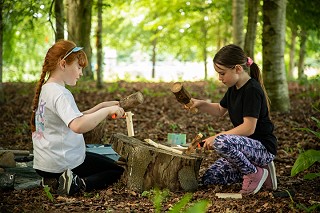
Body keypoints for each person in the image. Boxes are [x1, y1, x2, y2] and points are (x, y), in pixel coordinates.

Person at [30, 39, 125, 196]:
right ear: (63, 64)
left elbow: (74, 117)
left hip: (46, 163)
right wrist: (107, 111)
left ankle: (56, 180)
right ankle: (77, 184)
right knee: (117, 170)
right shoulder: (60, 93)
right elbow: (78, 125)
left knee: (106, 162)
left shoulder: (48, 89)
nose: (81, 73)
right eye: (78, 67)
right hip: (61, 163)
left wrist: (102, 107)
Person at [189, 44, 277, 195]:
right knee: (210, 178)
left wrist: (217, 136)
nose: (219, 78)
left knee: (221, 141)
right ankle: (259, 171)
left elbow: (249, 128)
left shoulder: (252, 90)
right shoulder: (233, 89)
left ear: (238, 68)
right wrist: (200, 104)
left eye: (222, 73)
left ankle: (255, 174)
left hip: (262, 148)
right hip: (244, 150)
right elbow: (219, 110)